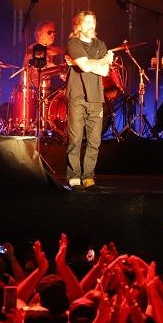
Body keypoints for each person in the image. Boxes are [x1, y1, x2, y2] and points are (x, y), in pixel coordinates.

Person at [65, 11, 112, 190]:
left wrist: (91, 63)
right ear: (78, 26)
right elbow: (84, 66)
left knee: (94, 141)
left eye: (93, 21)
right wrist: (103, 60)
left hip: (95, 98)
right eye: (87, 22)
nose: (92, 25)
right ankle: (74, 176)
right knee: (75, 139)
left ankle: (88, 176)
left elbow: (104, 72)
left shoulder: (100, 44)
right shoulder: (73, 43)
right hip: (77, 97)